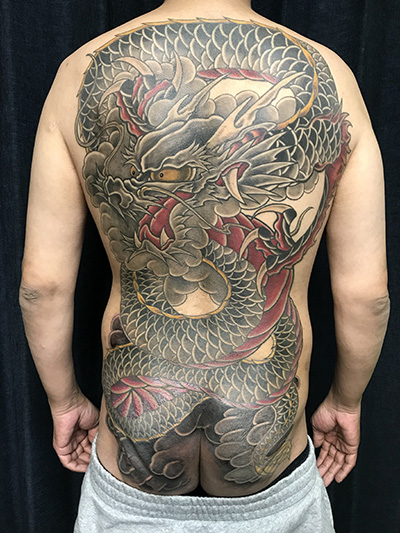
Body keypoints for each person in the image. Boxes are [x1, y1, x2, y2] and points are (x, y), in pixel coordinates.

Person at [19, 0, 389, 531]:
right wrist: (346, 403)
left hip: (129, 466)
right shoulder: (332, 77)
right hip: (272, 462)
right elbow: (366, 296)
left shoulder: (79, 72)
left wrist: (64, 401)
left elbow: (42, 287)